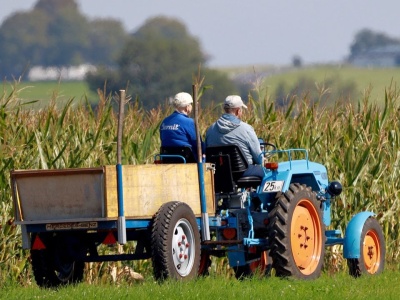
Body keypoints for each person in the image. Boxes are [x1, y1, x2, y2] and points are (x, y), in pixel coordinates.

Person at [205, 95, 264, 177]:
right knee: (267, 173)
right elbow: (259, 159)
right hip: (242, 172)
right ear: (238, 111)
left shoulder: (210, 129)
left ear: (225, 109)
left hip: (219, 173)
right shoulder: (246, 129)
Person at [160, 92, 204, 161]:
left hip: (167, 159)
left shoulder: (165, 121)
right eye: (191, 104)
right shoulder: (189, 122)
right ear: (187, 107)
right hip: (186, 160)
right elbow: (198, 144)